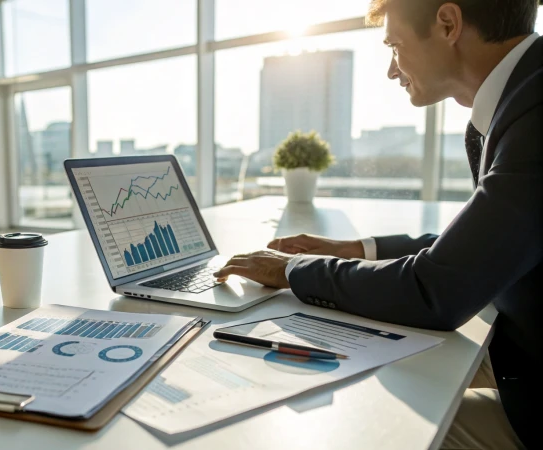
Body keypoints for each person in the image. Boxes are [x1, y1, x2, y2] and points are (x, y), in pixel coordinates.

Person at [214, 0, 541, 448]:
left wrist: (289, 271)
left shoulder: (536, 112)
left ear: (448, 23)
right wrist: (354, 250)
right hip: (522, 345)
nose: (392, 70)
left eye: (394, 45)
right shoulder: (521, 100)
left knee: (371, 426)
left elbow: (436, 291)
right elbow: (479, 248)